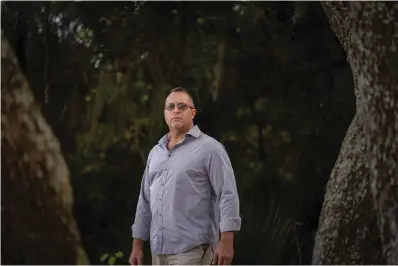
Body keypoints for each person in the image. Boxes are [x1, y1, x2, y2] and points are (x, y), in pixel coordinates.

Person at [129, 87, 241, 265]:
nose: (176, 110)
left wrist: (227, 239)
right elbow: (145, 201)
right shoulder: (155, 153)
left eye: (182, 106)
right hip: (157, 252)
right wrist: (137, 244)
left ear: (193, 112)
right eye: (170, 107)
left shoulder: (210, 149)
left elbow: (227, 194)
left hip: (193, 250)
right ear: (165, 114)